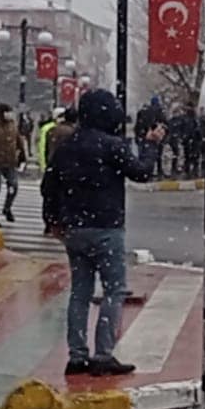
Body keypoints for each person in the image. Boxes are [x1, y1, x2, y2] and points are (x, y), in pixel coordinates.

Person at [45, 90, 163, 376]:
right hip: (107, 227)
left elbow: (49, 185)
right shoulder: (112, 145)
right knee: (114, 290)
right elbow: (142, 173)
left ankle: (77, 355)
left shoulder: (67, 145)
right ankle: (102, 354)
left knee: (80, 292)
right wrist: (151, 145)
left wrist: (53, 220)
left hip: (75, 229)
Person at [40, 107, 78, 234]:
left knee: (49, 196)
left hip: (52, 166)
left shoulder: (53, 130)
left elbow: (46, 148)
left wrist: (46, 163)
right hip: (67, 168)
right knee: (63, 196)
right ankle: (60, 222)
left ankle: (48, 221)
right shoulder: (74, 133)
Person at [135, 96, 166, 175]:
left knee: (144, 155)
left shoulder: (142, 112)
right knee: (158, 154)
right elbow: (164, 124)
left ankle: (145, 171)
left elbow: (138, 125)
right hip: (156, 137)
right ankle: (159, 170)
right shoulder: (160, 111)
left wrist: (138, 136)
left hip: (144, 136)